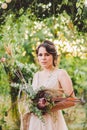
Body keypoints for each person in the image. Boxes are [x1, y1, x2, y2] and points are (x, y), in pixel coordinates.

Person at [21, 40, 76, 130]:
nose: (43, 58)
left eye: (47, 54)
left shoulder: (61, 74)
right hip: (36, 121)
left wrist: (48, 108)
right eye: (40, 55)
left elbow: (72, 101)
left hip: (53, 122)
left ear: (53, 56)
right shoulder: (36, 75)